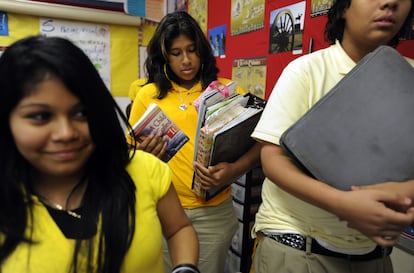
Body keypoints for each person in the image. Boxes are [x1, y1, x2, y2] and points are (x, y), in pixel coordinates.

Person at [0, 35, 200, 273]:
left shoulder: (145, 170)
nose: (65, 133)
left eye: (82, 113)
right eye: (40, 117)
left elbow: (179, 229)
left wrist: (185, 268)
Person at [250, 0, 414, 273]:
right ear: (344, 8)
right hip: (298, 250)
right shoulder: (306, 71)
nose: (390, 3)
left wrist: (405, 192)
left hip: (375, 257)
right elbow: (272, 158)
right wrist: (341, 204)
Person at [127, 11, 261, 273]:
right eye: (176, 53)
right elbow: (130, 154)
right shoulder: (148, 95)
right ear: (163, 56)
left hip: (212, 214)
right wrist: (142, 154)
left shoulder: (228, 92)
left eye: (191, 50)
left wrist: (234, 170)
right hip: (160, 209)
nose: (186, 60)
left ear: (203, 51)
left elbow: (261, 146)